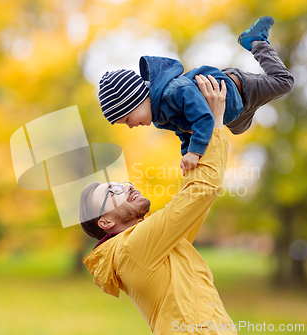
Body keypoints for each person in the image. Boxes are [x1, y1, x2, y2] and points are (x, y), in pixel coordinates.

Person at [79, 74, 237, 334]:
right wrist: (216, 123)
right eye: (113, 191)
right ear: (105, 222)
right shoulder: (132, 248)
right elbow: (200, 193)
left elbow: (195, 198)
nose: (127, 185)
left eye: (121, 182)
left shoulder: (154, 243)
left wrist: (196, 143)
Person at [98, 16, 294, 175]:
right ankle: (257, 102)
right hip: (236, 113)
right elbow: (184, 132)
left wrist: (195, 152)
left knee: (284, 82)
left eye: (127, 119)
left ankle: (256, 41)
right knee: (239, 130)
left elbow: (203, 117)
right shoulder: (159, 117)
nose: (131, 126)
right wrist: (188, 158)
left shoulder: (174, 91)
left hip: (240, 90)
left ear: (137, 99)